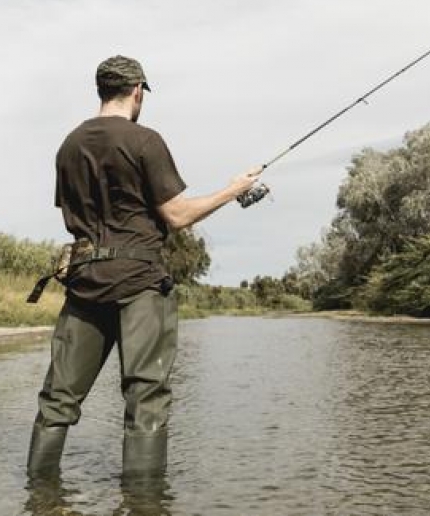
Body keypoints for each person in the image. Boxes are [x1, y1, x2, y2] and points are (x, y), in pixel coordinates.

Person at [26, 55, 260, 481]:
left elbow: (74, 213)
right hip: (140, 286)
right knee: (145, 399)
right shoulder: (145, 141)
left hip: (84, 288)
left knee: (57, 400)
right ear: (137, 92)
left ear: (101, 90)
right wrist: (234, 189)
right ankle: (144, 503)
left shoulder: (68, 146)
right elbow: (177, 215)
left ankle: (38, 496)